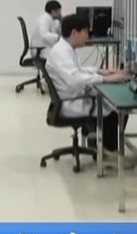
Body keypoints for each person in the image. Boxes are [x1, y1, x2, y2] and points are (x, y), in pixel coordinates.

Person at [44, 13, 128, 152]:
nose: (88, 36)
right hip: (72, 102)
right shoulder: (61, 52)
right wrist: (106, 79)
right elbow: (75, 78)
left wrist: (101, 71)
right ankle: (107, 149)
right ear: (74, 32)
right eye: (85, 32)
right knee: (118, 109)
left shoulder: (65, 48)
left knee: (109, 104)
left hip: (71, 97)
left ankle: (98, 142)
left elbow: (78, 69)